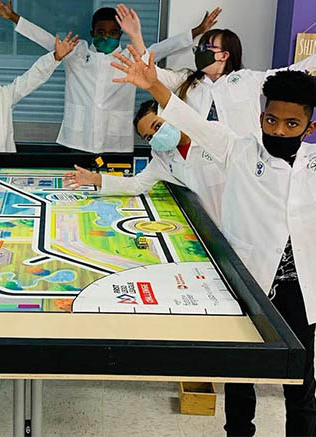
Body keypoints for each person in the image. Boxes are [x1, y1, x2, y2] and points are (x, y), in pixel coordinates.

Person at [112, 46, 316, 436]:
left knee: (301, 385)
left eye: (292, 124)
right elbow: (190, 120)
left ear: (309, 127)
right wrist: (153, 85)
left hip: (298, 290)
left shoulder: (313, 165)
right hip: (250, 282)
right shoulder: (238, 150)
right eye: (271, 120)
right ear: (261, 117)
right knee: (241, 376)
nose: (278, 130)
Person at [0, 0, 221, 152]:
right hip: (76, 140)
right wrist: (13, 17)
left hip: (115, 142)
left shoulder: (131, 56)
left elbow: (164, 47)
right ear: (92, 32)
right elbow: (47, 40)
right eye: (101, 32)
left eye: (112, 32)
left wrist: (199, 30)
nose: (106, 36)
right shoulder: (76, 52)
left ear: (120, 34)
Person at [115, 4, 316, 138]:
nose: (200, 52)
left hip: (240, 161)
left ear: (224, 55)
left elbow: (292, 73)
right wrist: (135, 36)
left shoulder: (248, 80)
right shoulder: (185, 80)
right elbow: (149, 72)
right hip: (199, 162)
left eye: (206, 48)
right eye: (199, 48)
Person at [64, 99, 225, 227]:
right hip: (210, 226)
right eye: (149, 137)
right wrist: (94, 178)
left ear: (170, 114)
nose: (156, 135)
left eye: (157, 126)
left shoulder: (213, 133)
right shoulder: (162, 158)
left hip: (235, 219)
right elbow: (136, 185)